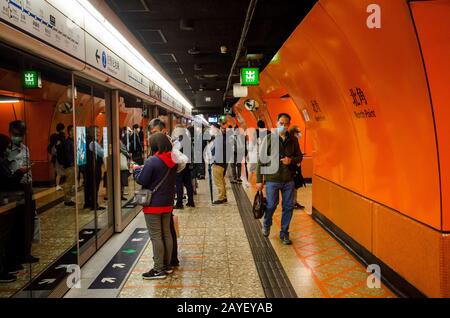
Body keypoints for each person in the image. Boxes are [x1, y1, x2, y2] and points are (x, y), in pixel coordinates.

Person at [134, 133, 178, 280]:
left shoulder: (152, 161)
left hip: (153, 204)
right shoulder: (173, 159)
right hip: (167, 203)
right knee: (166, 234)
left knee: (156, 236)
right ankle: (167, 265)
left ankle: (158, 269)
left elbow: (143, 180)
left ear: (155, 146)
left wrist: (136, 170)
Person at [256, 113, 302, 245]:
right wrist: (259, 180)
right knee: (271, 205)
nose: (283, 126)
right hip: (272, 179)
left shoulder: (293, 140)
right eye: (281, 123)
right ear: (276, 123)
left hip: (288, 179)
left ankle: (284, 233)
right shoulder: (269, 139)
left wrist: (291, 160)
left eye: (286, 124)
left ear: (289, 125)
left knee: (288, 207)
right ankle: (266, 223)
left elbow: (299, 157)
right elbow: (261, 161)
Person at [147, 118, 179, 267]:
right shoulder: (164, 152)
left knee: (162, 233)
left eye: (154, 133)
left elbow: (145, 179)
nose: (152, 136)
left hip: (160, 197)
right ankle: (168, 261)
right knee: (166, 231)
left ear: (163, 131)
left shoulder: (167, 149)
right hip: (167, 195)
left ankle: (164, 263)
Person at [6, 120, 39, 264]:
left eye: (20, 135)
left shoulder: (26, 149)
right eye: (15, 134)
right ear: (10, 133)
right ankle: (16, 254)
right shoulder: (6, 151)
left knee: (29, 222)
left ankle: (26, 252)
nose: (17, 137)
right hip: (14, 190)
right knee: (16, 224)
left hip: (27, 188)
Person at [0, 134, 27, 283]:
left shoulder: (2, 162)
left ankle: (8, 263)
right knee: (3, 236)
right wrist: (19, 172)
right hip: (4, 202)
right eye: (6, 147)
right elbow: (7, 181)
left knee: (8, 235)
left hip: (9, 200)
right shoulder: (2, 163)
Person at [172, 126, 195, 209]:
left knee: (179, 184)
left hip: (180, 165)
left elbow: (175, 153)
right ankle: (191, 201)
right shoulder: (188, 141)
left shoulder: (179, 141)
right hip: (188, 165)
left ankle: (179, 203)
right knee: (188, 184)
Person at [210, 120, 231, 205]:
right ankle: (224, 196)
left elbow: (218, 151)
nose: (211, 130)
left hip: (218, 163)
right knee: (222, 181)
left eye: (212, 128)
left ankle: (221, 198)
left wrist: (214, 160)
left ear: (216, 129)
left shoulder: (218, 138)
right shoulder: (222, 137)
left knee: (218, 181)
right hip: (223, 162)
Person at [84, 126, 105, 210]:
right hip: (94, 168)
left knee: (88, 186)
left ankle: (87, 203)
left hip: (88, 167)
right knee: (94, 186)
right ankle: (94, 204)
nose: (98, 134)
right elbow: (102, 153)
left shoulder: (86, 141)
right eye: (97, 132)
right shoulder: (93, 143)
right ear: (92, 132)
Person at [289, 126, 305, 210]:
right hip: (293, 167)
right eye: (298, 132)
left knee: (295, 186)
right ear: (295, 133)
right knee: (293, 186)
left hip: (295, 166)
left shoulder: (295, 141)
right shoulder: (292, 141)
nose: (300, 134)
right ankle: (292, 202)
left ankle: (294, 202)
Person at [48, 123, 66, 191]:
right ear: (62, 129)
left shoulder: (52, 136)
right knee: (59, 172)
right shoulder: (61, 136)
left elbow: (51, 145)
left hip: (55, 157)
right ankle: (57, 185)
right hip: (59, 157)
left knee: (58, 172)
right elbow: (62, 146)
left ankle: (58, 185)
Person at [63, 125, 76, 206]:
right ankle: (67, 200)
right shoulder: (68, 142)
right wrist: (71, 163)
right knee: (69, 182)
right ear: (70, 132)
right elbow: (68, 154)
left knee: (72, 183)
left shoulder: (72, 141)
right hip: (70, 166)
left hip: (72, 165)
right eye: (73, 130)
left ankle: (69, 198)